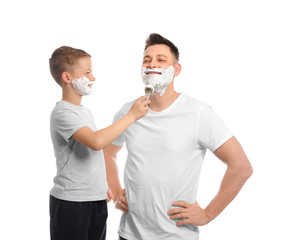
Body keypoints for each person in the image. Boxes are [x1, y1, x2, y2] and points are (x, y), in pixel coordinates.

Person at [104, 33, 253, 240]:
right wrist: (117, 191)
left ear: (176, 70)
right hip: (129, 234)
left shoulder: (198, 113)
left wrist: (208, 214)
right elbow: (108, 152)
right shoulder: (128, 112)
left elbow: (241, 167)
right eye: (146, 60)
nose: (151, 64)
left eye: (160, 59)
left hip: (177, 236)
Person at [49, 46, 150, 240]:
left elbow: (92, 156)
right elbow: (96, 143)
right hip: (72, 202)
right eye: (87, 73)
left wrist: (100, 185)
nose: (93, 78)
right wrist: (131, 116)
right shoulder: (62, 113)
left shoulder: (85, 112)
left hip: (95, 200)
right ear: (67, 78)